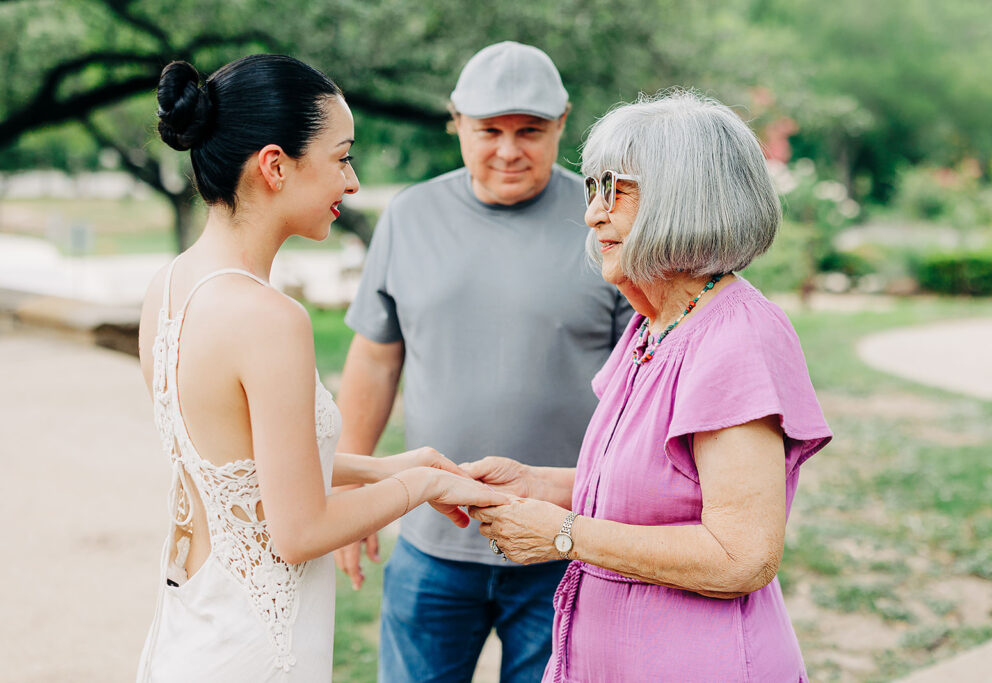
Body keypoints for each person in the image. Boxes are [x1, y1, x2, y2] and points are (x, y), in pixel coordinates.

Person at [135, 54, 505, 682]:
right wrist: (426, 488)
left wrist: (390, 466)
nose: (353, 182)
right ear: (275, 165)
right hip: (253, 652)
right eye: (341, 157)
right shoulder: (270, 319)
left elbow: (241, 467)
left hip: (191, 635)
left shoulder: (169, 286)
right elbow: (299, 529)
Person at [466, 89, 833, 682]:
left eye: (616, 191)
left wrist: (563, 534)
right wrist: (541, 484)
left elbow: (741, 556)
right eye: (592, 190)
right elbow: (660, 493)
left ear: (682, 199)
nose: (592, 214)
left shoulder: (735, 338)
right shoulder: (654, 322)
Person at [335, 42, 634, 682]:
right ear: (456, 123)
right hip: (430, 544)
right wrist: (353, 491)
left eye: (530, 131)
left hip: (566, 539)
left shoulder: (604, 222)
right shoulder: (410, 216)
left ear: (562, 124)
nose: (508, 150)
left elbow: (639, 385)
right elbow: (375, 360)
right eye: (488, 131)